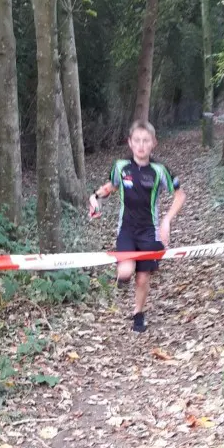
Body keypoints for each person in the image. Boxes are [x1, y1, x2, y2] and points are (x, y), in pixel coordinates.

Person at [89, 121, 186, 332]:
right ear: (130, 143)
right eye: (137, 141)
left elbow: (180, 196)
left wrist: (167, 221)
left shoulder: (160, 170)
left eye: (146, 141)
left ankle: (138, 313)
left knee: (142, 279)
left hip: (149, 231)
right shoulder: (121, 167)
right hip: (127, 230)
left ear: (153, 143)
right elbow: (111, 186)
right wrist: (95, 197)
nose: (141, 145)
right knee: (125, 272)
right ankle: (124, 274)